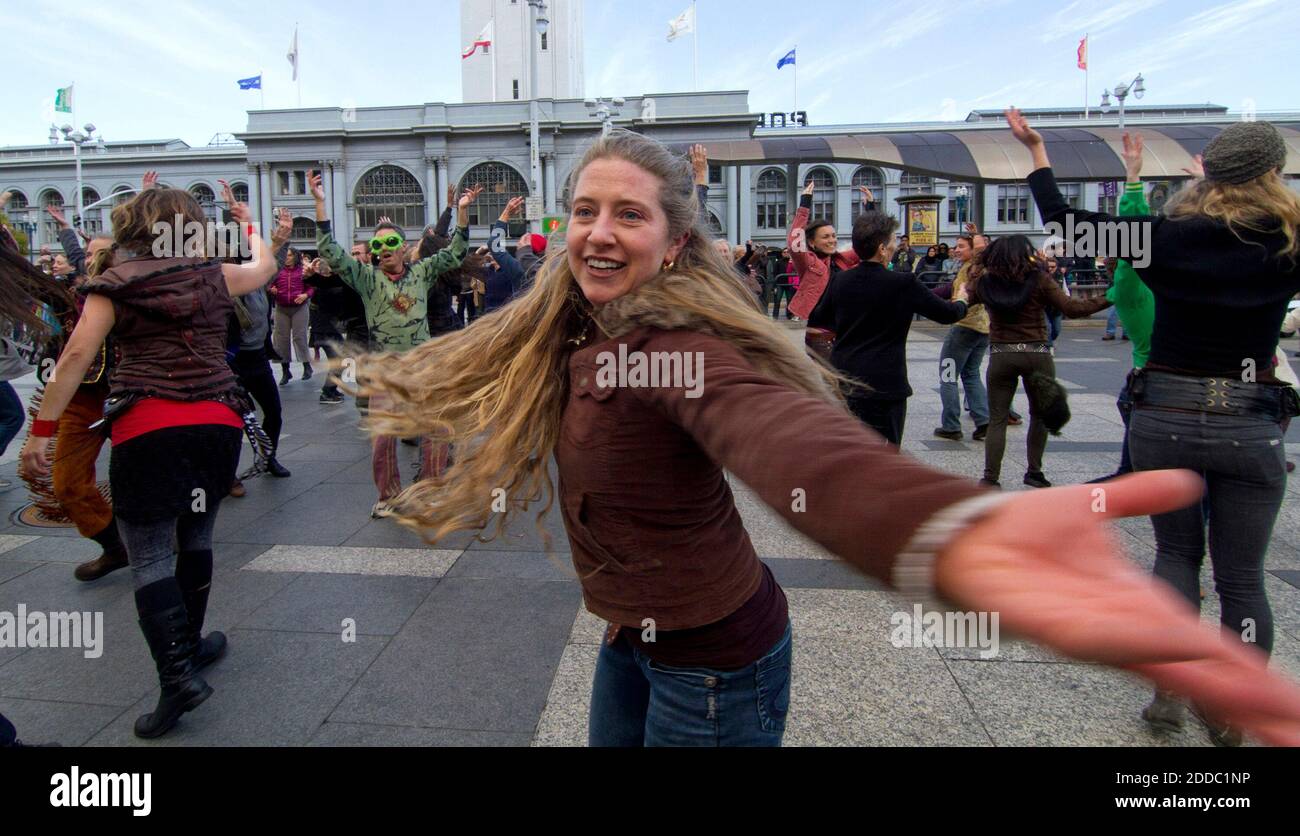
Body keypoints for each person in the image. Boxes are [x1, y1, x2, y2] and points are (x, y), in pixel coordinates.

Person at [343, 128, 1300, 747]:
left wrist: (943, 532)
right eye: (585, 209)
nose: (597, 230)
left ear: (676, 243)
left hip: (713, 664)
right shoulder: (576, 322)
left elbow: (788, 440)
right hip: (631, 639)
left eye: (628, 213)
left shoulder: (675, 345)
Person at [1012, 109, 1300, 744]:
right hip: (1249, 422)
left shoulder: (1163, 238)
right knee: (1243, 580)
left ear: (1207, 177)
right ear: (1274, 175)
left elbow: (1066, 224)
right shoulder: (1288, 241)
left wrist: (1036, 151)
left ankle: (1170, 689)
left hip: (1163, 415)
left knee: (1176, 555)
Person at [20, 185, 279, 739]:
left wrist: (42, 430)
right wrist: (251, 224)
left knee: (153, 556)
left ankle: (176, 677)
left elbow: (75, 357)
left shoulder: (112, 284)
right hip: (218, 424)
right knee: (199, 538)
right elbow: (265, 266)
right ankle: (192, 645)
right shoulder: (216, 276)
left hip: (148, 428)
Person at [309, 169, 470, 518]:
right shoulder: (366, 278)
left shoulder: (424, 271)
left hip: (422, 368)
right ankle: (388, 495)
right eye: (377, 245)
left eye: (390, 243)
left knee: (437, 429)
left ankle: (429, 488)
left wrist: (462, 211)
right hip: (385, 371)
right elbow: (332, 253)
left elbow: (456, 252)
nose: (383, 249)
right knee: (383, 436)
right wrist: (320, 206)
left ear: (404, 247)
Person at [810, 210, 970, 445]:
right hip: (885, 383)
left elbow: (818, 320)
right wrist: (963, 299)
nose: (896, 245)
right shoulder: (903, 283)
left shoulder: (840, 280)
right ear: (882, 248)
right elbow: (947, 314)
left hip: (846, 378)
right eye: (893, 240)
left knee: (849, 448)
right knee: (887, 451)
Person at [966, 235, 1110, 489]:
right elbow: (1073, 308)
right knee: (1039, 414)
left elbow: (965, 297)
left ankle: (990, 477)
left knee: (998, 419)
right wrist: (1110, 296)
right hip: (1037, 352)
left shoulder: (985, 283)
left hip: (1002, 353)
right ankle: (1034, 472)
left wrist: (978, 264)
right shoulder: (1040, 280)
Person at [225, 198, 293, 491]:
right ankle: (228, 475)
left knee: (274, 413)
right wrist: (245, 225)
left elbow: (270, 265)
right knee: (234, 420)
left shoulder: (259, 279)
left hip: (257, 359)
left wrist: (281, 239)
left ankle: (269, 458)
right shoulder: (225, 282)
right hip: (230, 361)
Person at [934, 234, 991, 442]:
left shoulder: (970, 270)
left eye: (961, 247)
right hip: (982, 328)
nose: (956, 250)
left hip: (963, 328)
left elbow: (958, 295)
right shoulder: (982, 269)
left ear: (973, 250)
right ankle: (984, 420)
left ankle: (951, 425)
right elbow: (948, 289)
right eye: (955, 246)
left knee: (948, 375)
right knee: (971, 374)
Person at [269, 246, 313, 384]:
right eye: (285, 255)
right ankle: (285, 371)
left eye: (289, 255)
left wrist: (305, 295)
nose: (286, 258)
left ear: (295, 256)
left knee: (299, 337)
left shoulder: (303, 271)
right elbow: (268, 285)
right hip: (281, 307)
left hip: (299, 307)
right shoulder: (277, 271)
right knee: (281, 339)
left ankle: (307, 367)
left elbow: (312, 287)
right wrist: (272, 289)